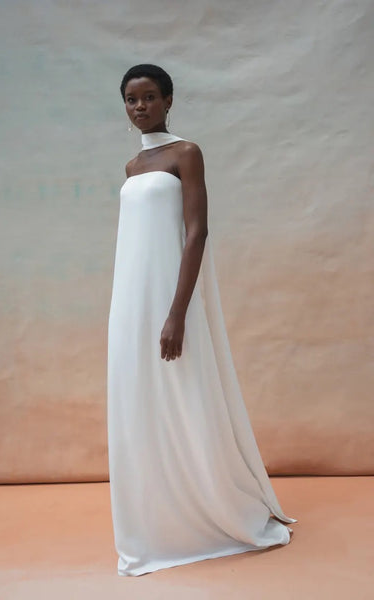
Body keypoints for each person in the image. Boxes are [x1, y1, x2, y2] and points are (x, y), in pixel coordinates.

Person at [107, 63, 297, 577]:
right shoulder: (131, 168)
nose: (140, 106)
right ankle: (157, 516)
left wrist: (177, 314)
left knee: (185, 390)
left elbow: (197, 234)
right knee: (138, 398)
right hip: (129, 299)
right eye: (130, 98)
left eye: (149, 96)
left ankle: (212, 508)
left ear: (169, 100)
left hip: (169, 299)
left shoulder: (185, 154)